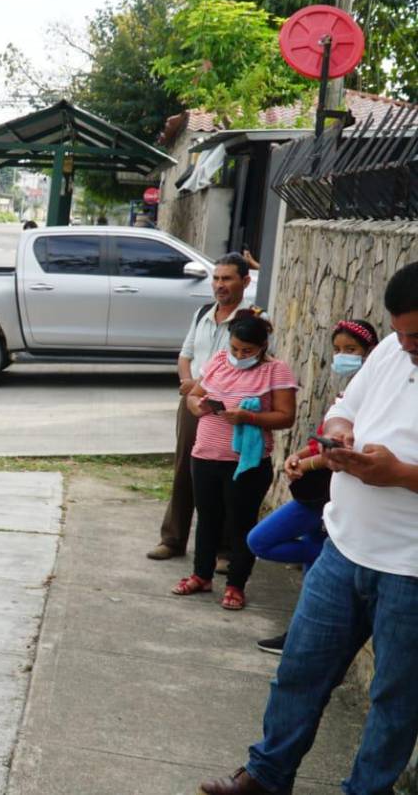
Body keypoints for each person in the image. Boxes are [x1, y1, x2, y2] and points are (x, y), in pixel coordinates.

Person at [198, 261, 418, 795]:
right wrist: (339, 434)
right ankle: (266, 776)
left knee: (395, 699)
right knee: (300, 670)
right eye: (401, 332)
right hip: (344, 546)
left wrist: (400, 475)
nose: (406, 344)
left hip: (411, 570)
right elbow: (344, 406)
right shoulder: (393, 350)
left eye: (416, 334)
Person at [247, 318, 379, 654]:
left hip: (329, 494)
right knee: (311, 578)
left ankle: (302, 630)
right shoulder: (348, 394)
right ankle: (298, 635)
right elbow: (325, 440)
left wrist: (307, 463)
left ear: (372, 353)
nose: (342, 357)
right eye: (337, 350)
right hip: (321, 491)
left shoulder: (376, 398)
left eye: (351, 350)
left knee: (260, 540)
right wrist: (299, 455)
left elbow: (348, 450)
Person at [171, 310, 296, 610]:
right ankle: (201, 575)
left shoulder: (276, 371)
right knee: (208, 518)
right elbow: (195, 394)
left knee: (240, 523)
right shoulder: (217, 361)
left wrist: (248, 417)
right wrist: (197, 405)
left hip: (246, 462)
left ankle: (236, 585)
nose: (240, 355)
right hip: (205, 454)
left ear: (263, 346)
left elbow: (286, 416)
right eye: (236, 348)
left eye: (247, 351)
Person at [149, 253, 262, 562]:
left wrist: (202, 386)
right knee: (185, 468)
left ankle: (224, 550)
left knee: (226, 475)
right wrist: (188, 386)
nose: (220, 285)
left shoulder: (253, 319)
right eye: (216, 278)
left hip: (227, 409)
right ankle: (172, 539)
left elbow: (254, 363)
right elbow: (185, 354)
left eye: (227, 279)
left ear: (245, 281)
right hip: (193, 403)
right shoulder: (201, 314)